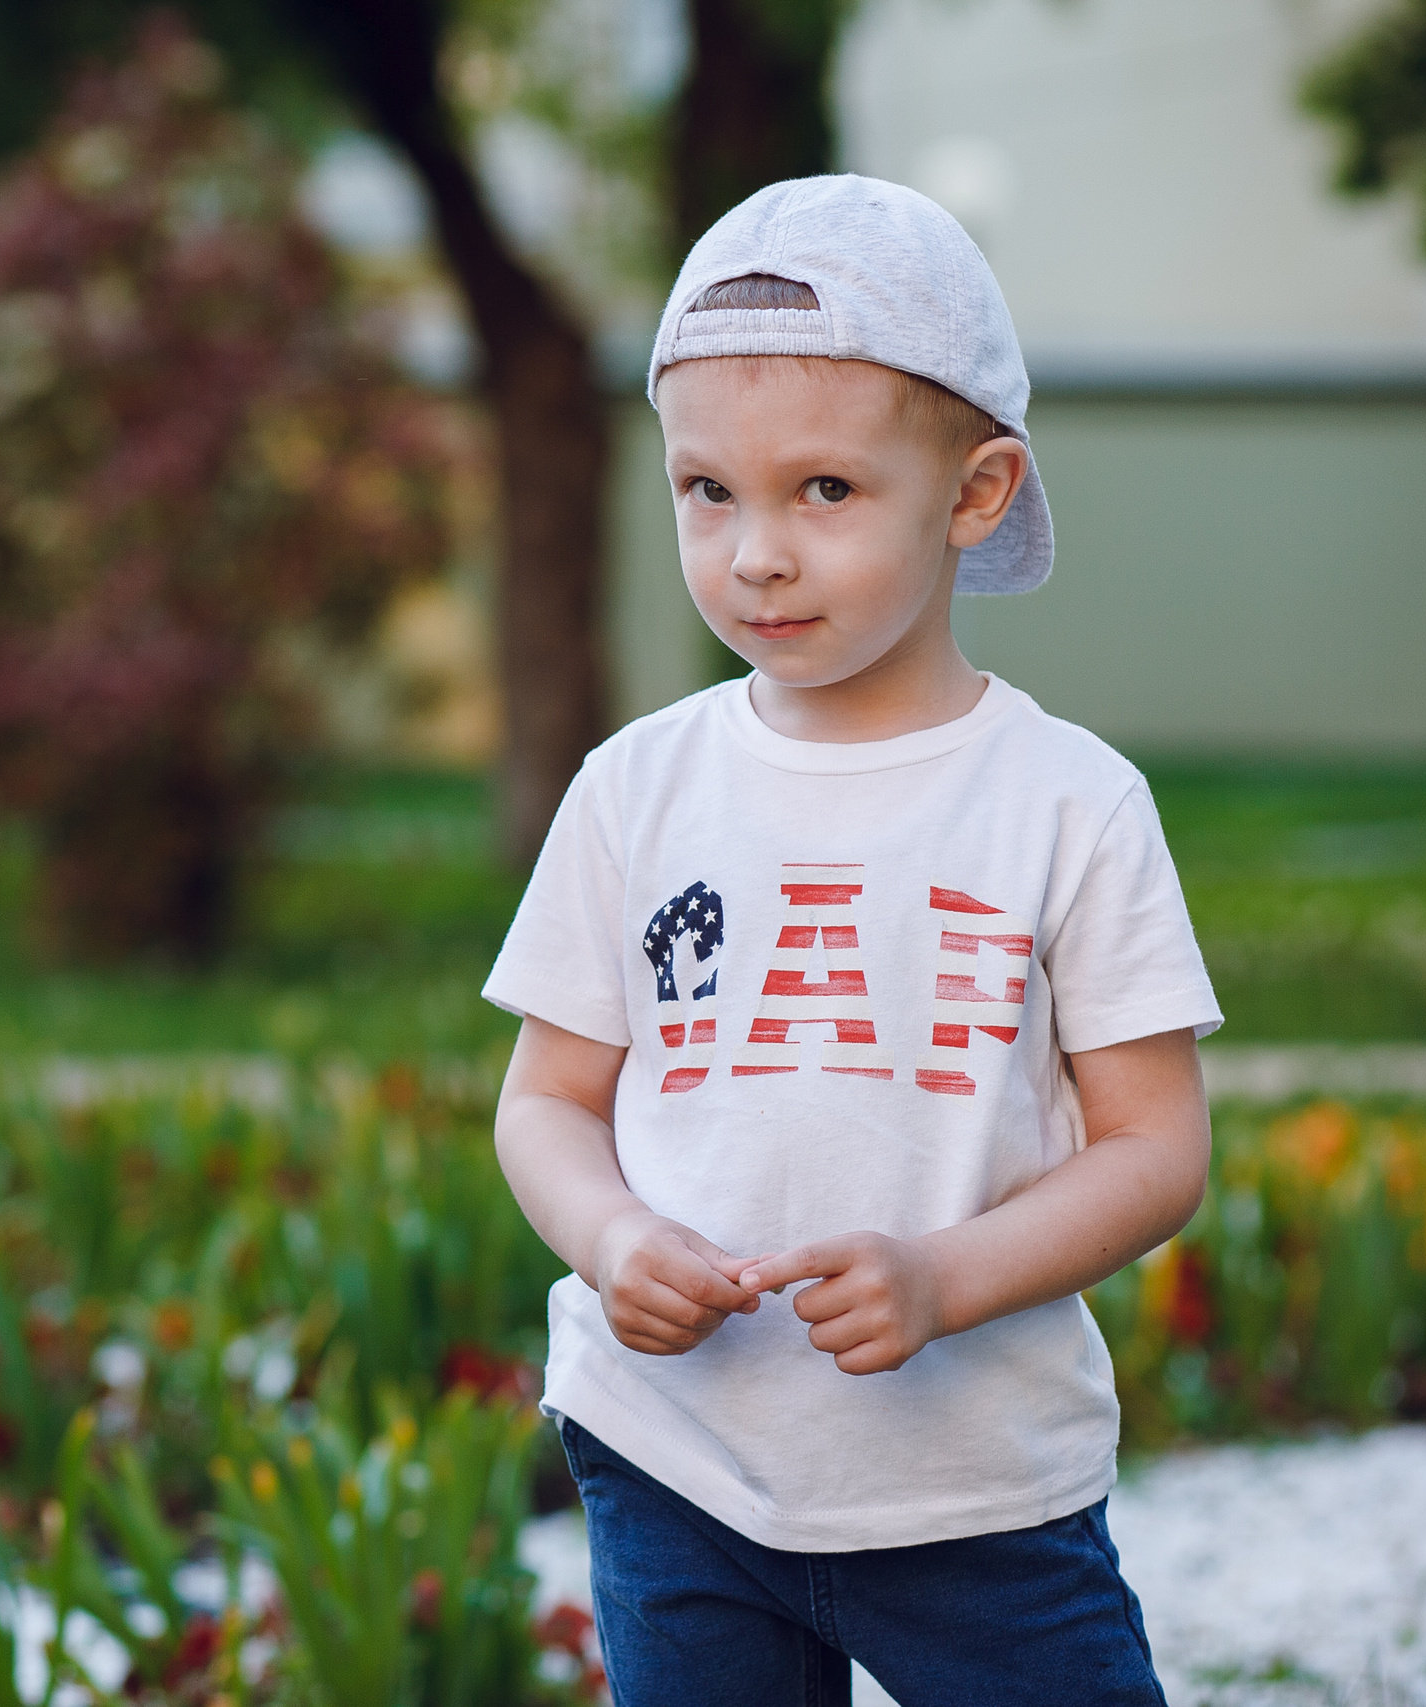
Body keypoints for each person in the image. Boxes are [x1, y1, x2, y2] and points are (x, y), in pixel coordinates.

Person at [485, 175, 1219, 1706]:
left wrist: (945, 1278)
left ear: (976, 493)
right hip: (677, 1459)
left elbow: (1155, 1151)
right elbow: (547, 1101)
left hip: (975, 1488)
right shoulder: (636, 789)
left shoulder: (1067, 802)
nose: (756, 552)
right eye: (708, 491)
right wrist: (612, 1238)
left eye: (824, 490)